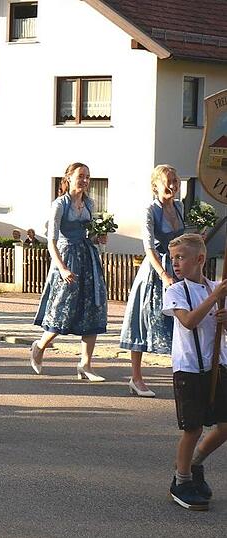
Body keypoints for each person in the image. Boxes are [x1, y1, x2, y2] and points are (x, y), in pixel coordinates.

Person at [161, 233, 227, 511]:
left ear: (200, 259)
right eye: (173, 258)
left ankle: (195, 463)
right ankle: (182, 480)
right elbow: (188, 321)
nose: (175, 263)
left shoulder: (217, 288)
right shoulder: (176, 291)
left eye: (181, 257)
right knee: (193, 428)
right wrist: (214, 299)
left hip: (218, 365)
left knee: (224, 426)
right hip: (189, 368)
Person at [30, 162, 108, 382]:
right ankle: (40, 346)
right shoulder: (60, 205)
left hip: (88, 258)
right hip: (67, 259)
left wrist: (99, 238)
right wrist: (62, 268)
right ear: (69, 178)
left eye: (87, 177)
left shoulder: (89, 203)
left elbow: (90, 235)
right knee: (62, 310)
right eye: (81, 176)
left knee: (92, 308)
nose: (85, 180)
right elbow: (51, 241)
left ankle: (85, 364)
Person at [120, 165, 185, 398]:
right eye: (168, 181)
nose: (173, 185)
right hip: (155, 271)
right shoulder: (150, 210)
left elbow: (181, 240)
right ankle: (136, 378)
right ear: (155, 185)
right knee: (143, 321)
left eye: (175, 181)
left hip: (178, 267)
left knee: (180, 322)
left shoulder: (179, 206)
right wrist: (164, 275)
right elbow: (148, 247)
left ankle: (182, 375)